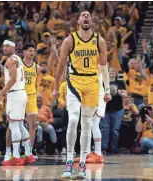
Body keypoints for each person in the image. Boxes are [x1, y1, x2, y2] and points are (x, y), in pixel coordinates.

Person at [53, 10, 112, 179]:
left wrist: (107, 90)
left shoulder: (99, 41)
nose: (86, 16)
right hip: (75, 82)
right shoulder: (69, 40)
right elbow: (60, 66)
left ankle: (83, 165)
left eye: (88, 15)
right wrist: (56, 87)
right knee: (72, 120)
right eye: (83, 15)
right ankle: (69, 161)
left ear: (91, 21)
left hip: (93, 83)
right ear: (78, 21)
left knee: (86, 124)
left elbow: (104, 69)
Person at [0, 40, 35, 166]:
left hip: (15, 94)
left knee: (14, 125)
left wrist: (0, 94)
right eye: (3, 46)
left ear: (13, 47)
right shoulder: (18, 59)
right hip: (21, 93)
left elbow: (12, 79)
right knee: (20, 125)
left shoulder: (10, 60)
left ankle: (15, 156)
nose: (4, 48)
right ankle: (28, 154)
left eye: (7, 46)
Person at [4, 43, 41, 159]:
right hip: (19, 93)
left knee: (32, 125)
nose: (32, 53)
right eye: (30, 50)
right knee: (13, 125)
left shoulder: (36, 67)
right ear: (24, 52)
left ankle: (27, 151)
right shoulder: (19, 63)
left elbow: (39, 81)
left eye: (34, 51)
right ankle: (8, 151)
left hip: (28, 96)